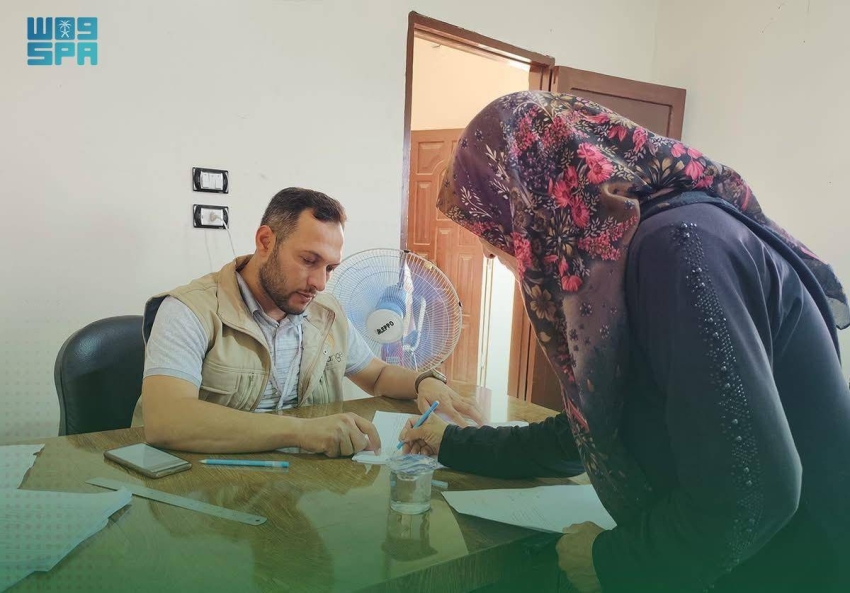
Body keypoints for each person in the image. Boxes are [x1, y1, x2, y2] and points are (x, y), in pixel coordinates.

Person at [400, 92, 850, 593]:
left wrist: (613, 561)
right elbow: (593, 431)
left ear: (529, 196)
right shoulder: (623, 258)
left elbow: (753, 493)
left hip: (791, 568)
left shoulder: (676, 248)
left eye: (488, 220)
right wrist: (452, 443)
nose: (489, 249)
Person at [137, 187, 483, 457]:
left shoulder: (325, 313)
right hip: (204, 487)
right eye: (308, 260)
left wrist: (424, 382)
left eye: (330, 268)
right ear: (265, 241)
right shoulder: (189, 310)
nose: (320, 283)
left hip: (302, 486)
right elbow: (166, 420)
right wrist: (301, 432)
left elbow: (377, 375)